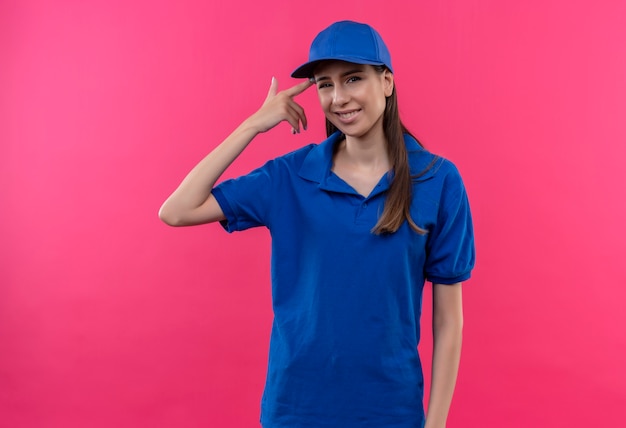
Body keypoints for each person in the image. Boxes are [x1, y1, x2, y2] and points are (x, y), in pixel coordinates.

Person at [159, 20, 475, 428]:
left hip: (390, 413)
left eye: (353, 78)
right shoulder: (290, 176)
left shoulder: (437, 180)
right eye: (325, 84)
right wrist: (253, 124)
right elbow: (177, 210)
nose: (338, 97)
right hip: (296, 411)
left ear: (387, 83)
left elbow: (449, 322)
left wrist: (435, 425)